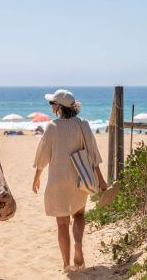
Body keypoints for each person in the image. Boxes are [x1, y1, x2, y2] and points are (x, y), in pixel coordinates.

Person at [32, 89, 108, 273]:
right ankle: (79, 244)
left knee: (62, 224)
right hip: (79, 179)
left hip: (57, 180)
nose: (51, 106)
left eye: (52, 103)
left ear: (59, 107)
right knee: (79, 215)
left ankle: (66, 264)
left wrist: (37, 176)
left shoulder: (52, 127)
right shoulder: (83, 125)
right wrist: (101, 179)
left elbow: (44, 154)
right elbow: (93, 154)